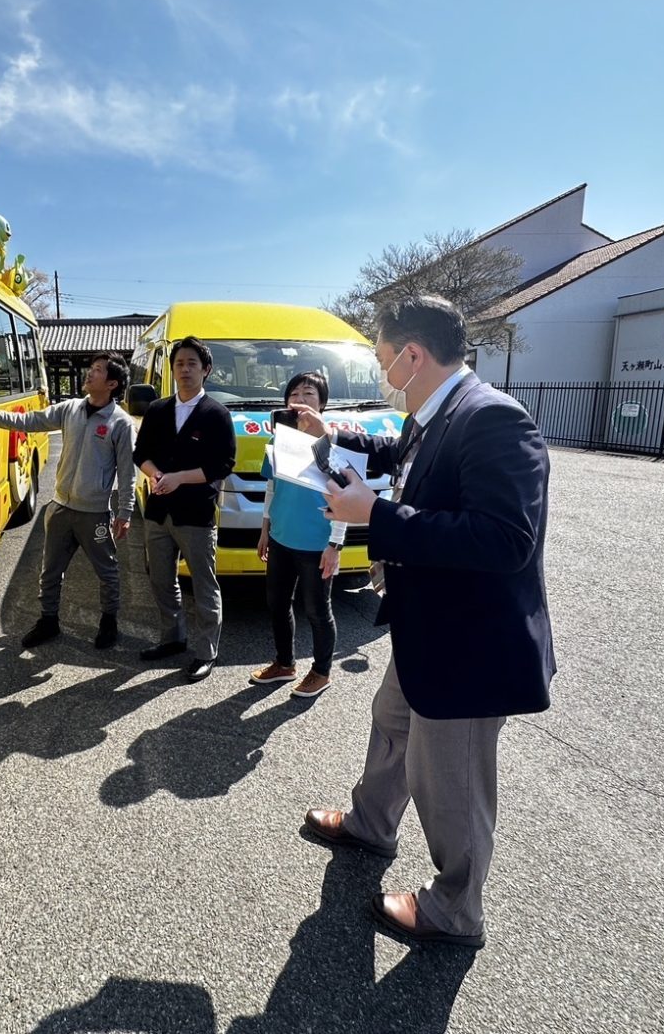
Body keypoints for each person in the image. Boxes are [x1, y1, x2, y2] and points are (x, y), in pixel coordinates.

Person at [292, 293, 556, 950]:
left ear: (411, 355)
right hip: (428, 628)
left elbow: (504, 540)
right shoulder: (432, 412)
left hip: (470, 646)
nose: (382, 372)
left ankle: (455, 909)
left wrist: (375, 517)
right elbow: (396, 453)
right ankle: (371, 822)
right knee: (392, 722)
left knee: (453, 781)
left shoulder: (494, 419)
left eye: (383, 358)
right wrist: (333, 435)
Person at [0, 352, 134, 650]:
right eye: (91, 367)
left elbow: (127, 473)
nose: (90, 373)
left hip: (94, 514)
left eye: (98, 370)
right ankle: (48, 621)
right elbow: (29, 420)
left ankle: (108, 623)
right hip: (60, 508)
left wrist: (125, 512)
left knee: (107, 572)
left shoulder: (121, 423)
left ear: (112, 383)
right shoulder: (70, 409)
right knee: (50, 571)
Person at [132, 336, 236, 681]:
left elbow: (223, 464)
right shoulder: (158, 410)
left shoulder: (217, 414)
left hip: (195, 513)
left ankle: (206, 651)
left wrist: (179, 478)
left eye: (192, 363)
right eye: (179, 363)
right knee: (161, 578)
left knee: (204, 584)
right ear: (172, 369)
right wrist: (155, 474)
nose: (185, 369)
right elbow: (140, 453)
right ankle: (172, 637)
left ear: (206, 370)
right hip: (158, 512)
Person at [249, 371, 347, 700]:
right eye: (294, 394)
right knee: (277, 604)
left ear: (322, 405)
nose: (300, 400)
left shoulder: (332, 443)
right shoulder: (278, 439)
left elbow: (344, 498)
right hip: (280, 537)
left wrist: (335, 545)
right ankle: (284, 663)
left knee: (318, 611)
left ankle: (321, 672)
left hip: (317, 543)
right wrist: (265, 528)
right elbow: (272, 486)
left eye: (308, 394)